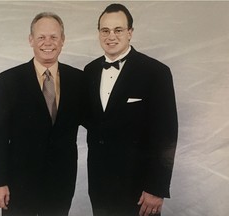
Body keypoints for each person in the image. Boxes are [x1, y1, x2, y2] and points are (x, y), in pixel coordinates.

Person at [84, 3, 178, 216]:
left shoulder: (156, 72)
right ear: (99, 33)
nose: (111, 36)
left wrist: (157, 187)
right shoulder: (89, 71)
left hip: (140, 188)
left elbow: (166, 135)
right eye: (105, 30)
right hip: (99, 185)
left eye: (118, 30)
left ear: (130, 33)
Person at [0, 12, 84, 216]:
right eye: (41, 37)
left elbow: (98, 124)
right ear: (31, 40)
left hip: (61, 183)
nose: (47, 43)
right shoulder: (8, 81)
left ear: (63, 40)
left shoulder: (79, 80)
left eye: (54, 37)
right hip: (18, 185)